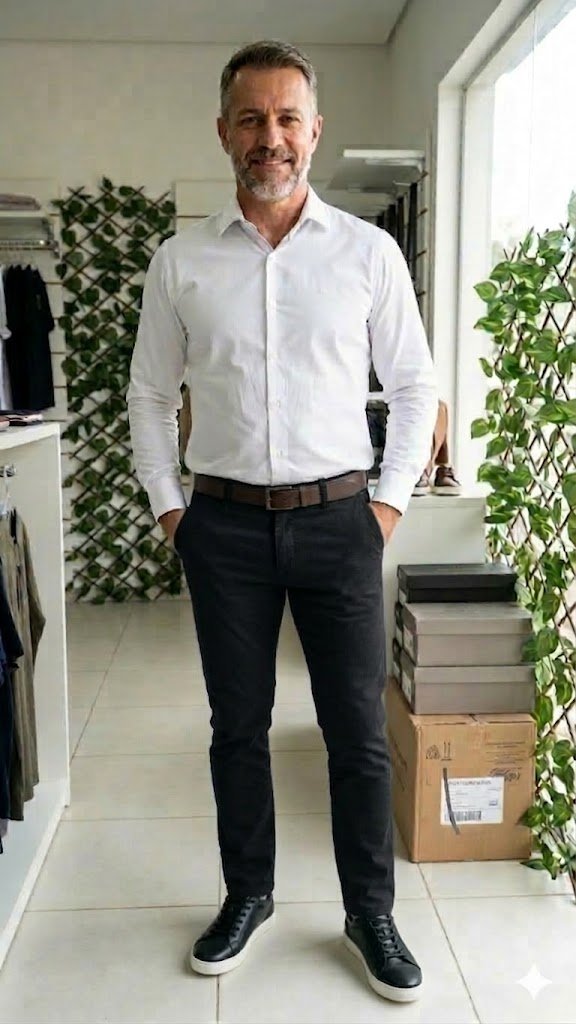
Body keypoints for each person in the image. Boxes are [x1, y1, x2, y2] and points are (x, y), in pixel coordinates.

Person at [128, 39, 438, 1003]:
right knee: (237, 728)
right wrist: (173, 512)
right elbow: (149, 397)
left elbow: (415, 385)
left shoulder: (368, 254)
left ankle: (369, 912)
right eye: (252, 119)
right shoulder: (181, 262)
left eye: (287, 118)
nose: (272, 137)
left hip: (341, 520)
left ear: (314, 130)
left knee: (356, 733)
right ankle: (248, 894)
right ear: (223, 131)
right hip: (222, 529)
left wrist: (386, 505)